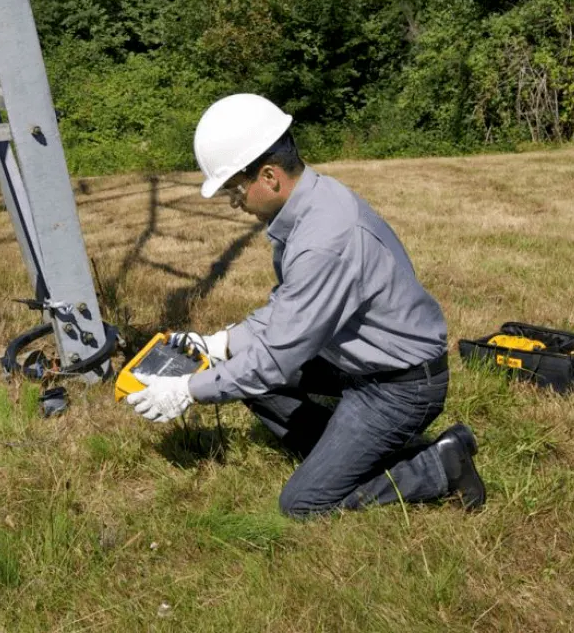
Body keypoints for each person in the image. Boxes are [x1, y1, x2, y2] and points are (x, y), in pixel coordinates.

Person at [125, 93, 486, 519]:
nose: (234, 203)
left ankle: (439, 465)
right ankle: (341, 452)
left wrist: (189, 390)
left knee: (303, 503)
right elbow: (289, 312)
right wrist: (221, 344)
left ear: (269, 176)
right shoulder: (311, 202)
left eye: (234, 190)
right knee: (247, 369)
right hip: (354, 359)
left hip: (400, 386)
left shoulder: (322, 240)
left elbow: (276, 360)